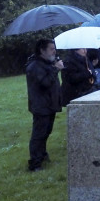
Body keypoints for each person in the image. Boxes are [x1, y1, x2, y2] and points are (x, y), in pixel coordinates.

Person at [25, 39, 64, 172]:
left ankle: (42, 155)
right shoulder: (34, 66)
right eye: (51, 49)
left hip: (49, 104)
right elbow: (45, 83)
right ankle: (34, 163)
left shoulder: (47, 63)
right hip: (41, 105)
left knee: (46, 132)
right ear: (42, 50)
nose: (54, 51)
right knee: (39, 134)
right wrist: (55, 69)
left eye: (54, 48)